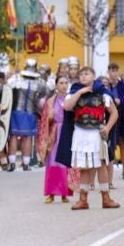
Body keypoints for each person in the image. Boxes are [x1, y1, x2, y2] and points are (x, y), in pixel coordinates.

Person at [62, 66, 118, 211]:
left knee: (101, 166)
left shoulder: (103, 94)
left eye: (86, 74)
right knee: (84, 168)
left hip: (96, 134)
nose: (83, 76)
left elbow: (114, 113)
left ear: (94, 77)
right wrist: (80, 92)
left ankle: (106, 198)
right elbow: (67, 106)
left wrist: (107, 128)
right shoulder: (74, 92)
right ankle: (83, 200)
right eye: (81, 74)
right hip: (80, 133)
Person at [39, 70, 74, 204]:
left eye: (66, 83)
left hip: (67, 132)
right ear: (56, 85)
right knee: (53, 162)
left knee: (65, 162)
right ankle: (51, 193)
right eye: (61, 83)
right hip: (54, 133)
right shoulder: (50, 102)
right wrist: (49, 117)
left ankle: (65, 193)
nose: (64, 85)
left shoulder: (71, 99)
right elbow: (43, 121)